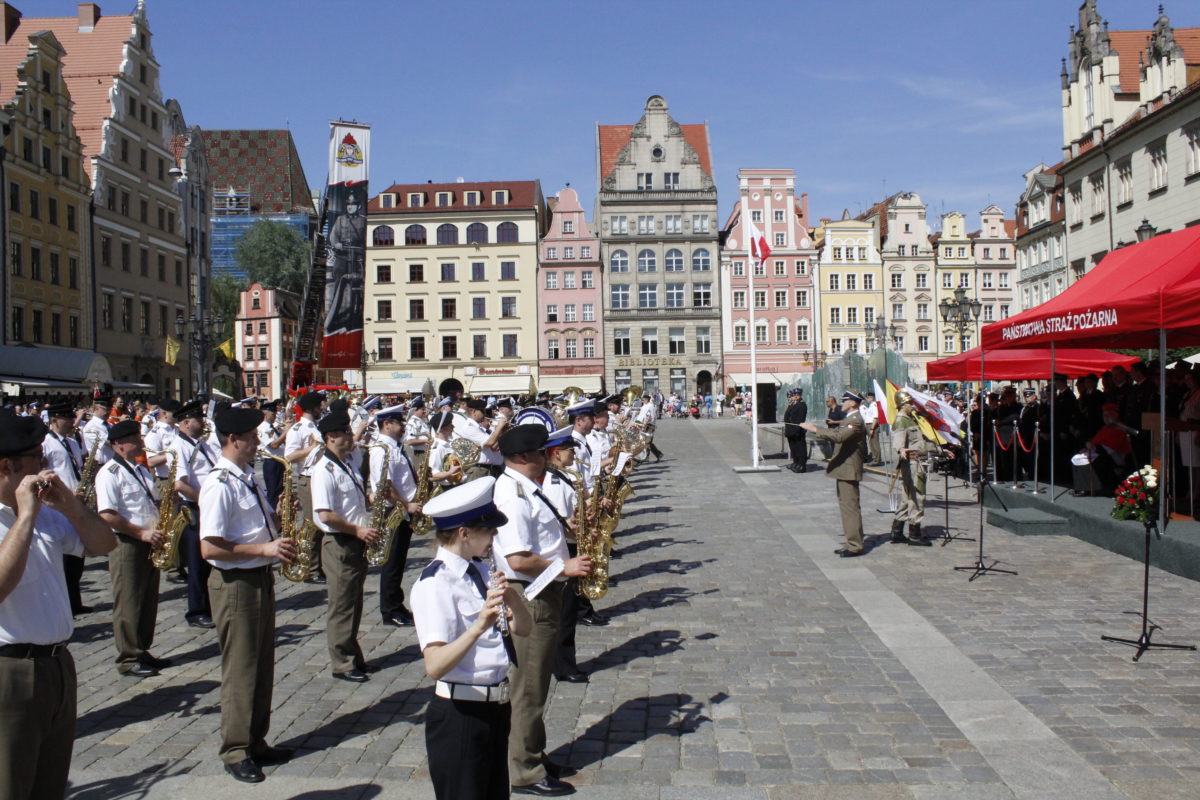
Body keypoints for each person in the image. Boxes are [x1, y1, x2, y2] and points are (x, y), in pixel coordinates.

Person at [0, 410, 116, 798]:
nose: (47, 463)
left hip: (57, 665)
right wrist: (26, 517)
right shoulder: (22, 517)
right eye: (38, 456)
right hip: (10, 672)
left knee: (49, 786)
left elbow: (104, 544)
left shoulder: (45, 513)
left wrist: (70, 506)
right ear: (6, 466)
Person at [412, 476, 532, 800]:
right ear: (464, 534)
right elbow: (435, 665)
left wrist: (513, 600)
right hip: (460, 715)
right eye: (489, 531)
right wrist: (478, 626)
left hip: (495, 707)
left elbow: (523, 629)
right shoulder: (434, 584)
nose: (495, 537)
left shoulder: (478, 571)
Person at [199, 405, 298, 783]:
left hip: (258, 578)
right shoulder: (218, 483)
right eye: (253, 437)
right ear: (232, 439)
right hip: (235, 584)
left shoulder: (246, 477)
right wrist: (264, 550)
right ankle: (236, 749)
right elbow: (211, 549)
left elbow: (248, 528)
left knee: (261, 665)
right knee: (241, 668)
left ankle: (256, 740)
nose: (259, 442)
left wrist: (276, 515)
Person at [494, 424, 593, 796]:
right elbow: (518, 559)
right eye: (540, 453)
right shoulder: (513, 495)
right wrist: (563, 567)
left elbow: (538, 538)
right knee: (528, 689)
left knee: (536, 683)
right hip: (530, 596)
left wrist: (566, 530)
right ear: (522, 458)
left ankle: (534, 752)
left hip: (541, 592)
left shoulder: (528, 489)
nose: (547, 458)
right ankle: (524, 770)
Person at [95, 419, 172, 676]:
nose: (141, 441)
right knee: (128, 599)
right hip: (128, 542)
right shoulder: (109, 473)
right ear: (118, 445)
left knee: (148, 598)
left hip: (150, 539)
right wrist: (142, 533)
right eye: (134, 438)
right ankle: (128, 657)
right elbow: (107, 514)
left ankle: (142, 648)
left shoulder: (139, 469)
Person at [310, 407, 378, 681]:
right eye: (346, 433)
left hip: (355, 538)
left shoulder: (347, 463)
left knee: (354, 602)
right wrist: (357, 530)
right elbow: (325, 514)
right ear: (331, 436)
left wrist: (373, 499)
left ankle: (353, 654)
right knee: (341, 605)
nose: (351, 436)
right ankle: (342, 663)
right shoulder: (324, 470)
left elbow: (351, 503)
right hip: (340, 541)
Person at [369, 405, 423, 629]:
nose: (402, 427)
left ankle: (397, 604)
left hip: (402, 508)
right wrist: (406, 505)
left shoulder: (395, 447)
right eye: (399, 422)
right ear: (386, 424)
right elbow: (385, 488)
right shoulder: (382, 450)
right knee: (391, 562)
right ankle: (389, 609)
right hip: (394, 510)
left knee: (399, 560)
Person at [801, 391, 868, 557]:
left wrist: (815, 429)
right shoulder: (850, 419)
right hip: (844, 468)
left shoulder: (855, 420)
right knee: (846, 507)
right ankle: (850, 541)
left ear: (853, 403)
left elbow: (839, 436)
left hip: (849, 469)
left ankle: (855, 545)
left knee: (850, 508)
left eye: (845, 400)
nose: (842, 403)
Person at [171, 400, 218, 628]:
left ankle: (211, 604)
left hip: (208, 506)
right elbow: (179, 484)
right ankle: (197, 610)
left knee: (209, 559)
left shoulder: (199, 443)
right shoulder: (179, 445)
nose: (203, 422)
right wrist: (205, 501)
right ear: (186, 422)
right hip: (196, 507)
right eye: (199, 419)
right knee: (197, 562)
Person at [42, 401, 91, 614]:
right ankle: (65, 602)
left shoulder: (71, 442)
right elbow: (43, 473)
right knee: (62, 555)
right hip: (58, 504)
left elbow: (77, 467)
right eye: (67, 418)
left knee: (77, 556)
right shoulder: (45, 443)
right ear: (54, 420)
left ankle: (75, 600)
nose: (72, 421)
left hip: (77, 500)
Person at [889, 392, 949, 547]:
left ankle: (897, 531)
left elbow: (920, 443)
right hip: (912, 464)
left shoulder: (911, 419)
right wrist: (901, 450)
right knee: (917, 496)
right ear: (903, 405)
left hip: (915, 462)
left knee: (907, 497)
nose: (913, 406)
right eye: (910, 403)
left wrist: (941, 450)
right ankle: (914, 534)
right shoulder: (902, 421)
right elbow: (898, 441)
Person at [285, 392, 326, 583]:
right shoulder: (298, 428)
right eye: (319, 406)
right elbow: (289, 456)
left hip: (318, 477)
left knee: (321, 523)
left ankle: (318, 565)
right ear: (312, 408)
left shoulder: (314, 427)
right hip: (307, 478)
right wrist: (310, 449)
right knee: (311, 525)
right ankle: (310, 568)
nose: (322, 408)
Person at [454, 398, 507, 479]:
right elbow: (490, 442)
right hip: (478, 470)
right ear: (473, 411)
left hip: (486, 469)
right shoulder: (469, 427)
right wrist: (499, 427)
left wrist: (502, 431)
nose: (485, 413)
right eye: (482, 411)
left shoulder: (478, 428)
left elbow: (493, 447)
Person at [257, 400, 291, 510]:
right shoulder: (263, 428)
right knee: (273, 494)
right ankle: (274, 518)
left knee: (281, 493)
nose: (275, 416)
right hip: (272, 463)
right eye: (273, 413)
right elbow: (273, 445)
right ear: (265, 414)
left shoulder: (271, 427)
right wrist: (286, 431)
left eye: (275, 413)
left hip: (279, 462)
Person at [782, 389, 808, 473]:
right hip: (791, 430)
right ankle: (796, 462)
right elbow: (788, 416)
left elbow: (800, 419)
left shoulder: (802, 405)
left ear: (800, 395)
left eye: (796, 395)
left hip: (797, 430)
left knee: (800, 448)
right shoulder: (793, 405)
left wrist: (796, 430)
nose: (794, 397)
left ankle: (802, 464)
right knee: (794, 448)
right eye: (794, 395)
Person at [634, 395, 663, 461]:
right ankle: (649, 456)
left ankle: (650, 456)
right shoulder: (645, 405)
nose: (642, 400)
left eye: (643, 399)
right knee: (645, 442)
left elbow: (651, 416)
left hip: (648, 425)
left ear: (647, 399)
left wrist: (646, 424)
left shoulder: (650, 406)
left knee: (647, 442)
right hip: (643, 425)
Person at [861, 392, 883, 466]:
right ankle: (875, 459)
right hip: (868, 425)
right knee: (871, 443)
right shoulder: (871, 405)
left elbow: (875, 418)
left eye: (868, 397)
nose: (867, 399)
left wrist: (872, 428)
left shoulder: (874, 405)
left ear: (871, 397)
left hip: (872, 425)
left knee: (874, 443)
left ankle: (877, 460)